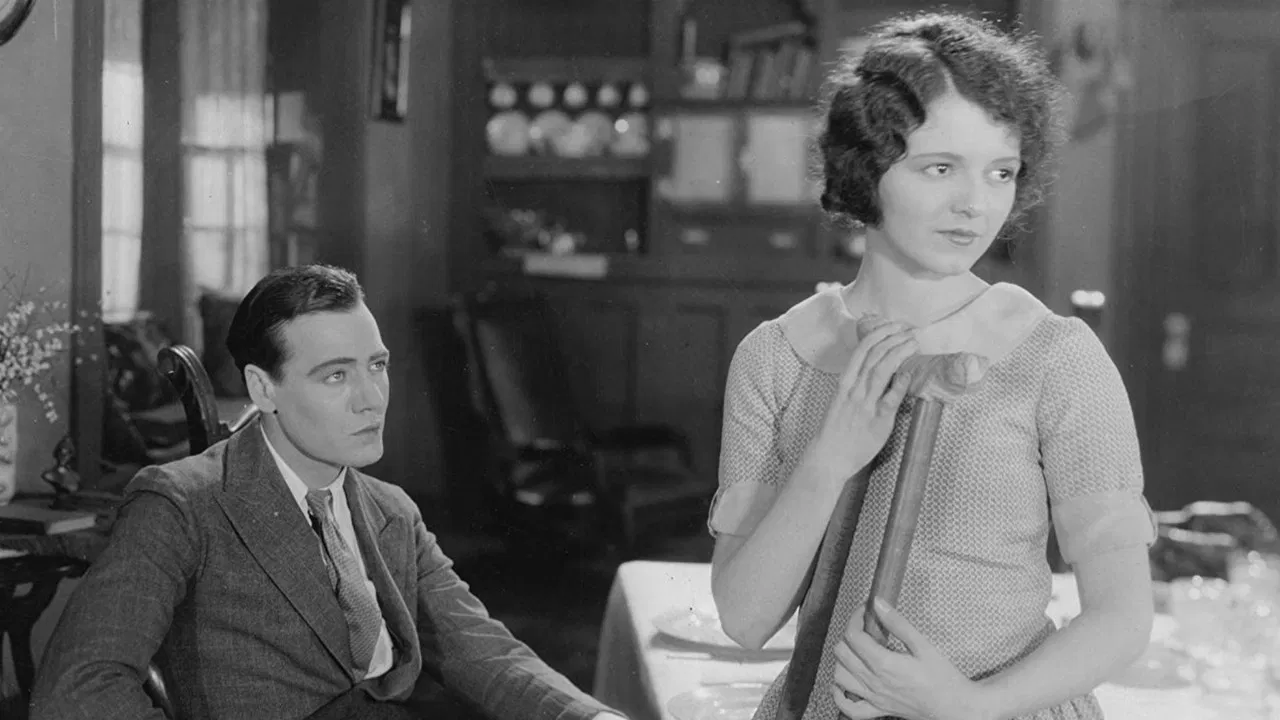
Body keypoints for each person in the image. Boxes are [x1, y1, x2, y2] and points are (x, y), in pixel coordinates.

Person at [708, 12, 1156, 720]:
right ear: (865, 167)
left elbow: (1124, 618)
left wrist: (970, 704)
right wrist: (830, 458)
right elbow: (744, 618)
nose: (975, 204)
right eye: (940, 168)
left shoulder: (1055, 356)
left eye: (1000, 172)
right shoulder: (778, 355)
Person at [31, 265, 627, 720]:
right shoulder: (183, 503)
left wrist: (591, 717)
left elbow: (481, 650)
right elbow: (78, 689)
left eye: (377, 365)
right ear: (264, 389)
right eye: (336, 375)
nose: (371, 399)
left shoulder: (392, 511)